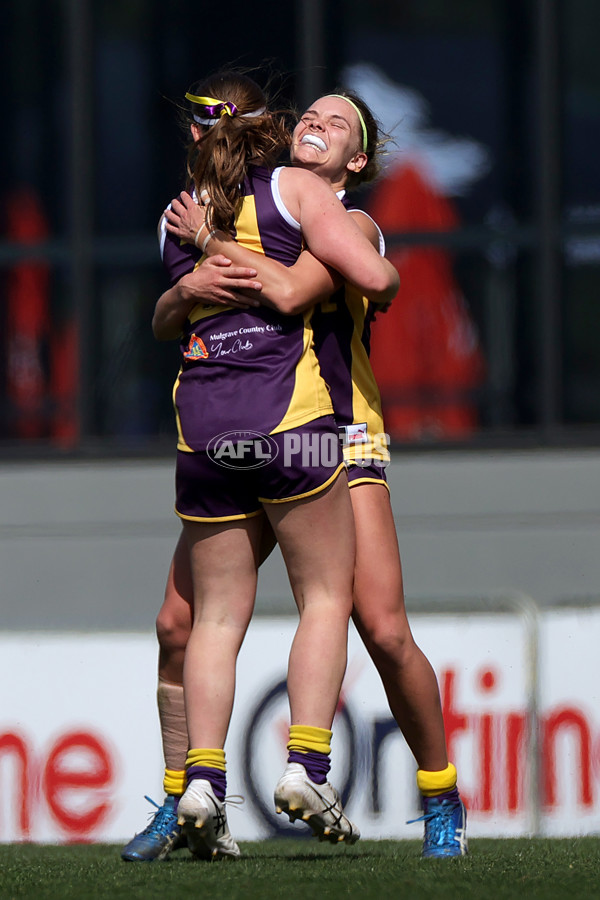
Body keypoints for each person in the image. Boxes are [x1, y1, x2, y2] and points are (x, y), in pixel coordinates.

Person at [122, 84, 467, 863]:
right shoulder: (268, 207)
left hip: (341, 437)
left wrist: (208, 245)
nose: (316, 122)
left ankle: (440, 792)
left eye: (337, 122)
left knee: (378, 624)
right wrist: (182, 286)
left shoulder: (349, 221)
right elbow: (173, 314)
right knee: (179, 624)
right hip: (266, 427)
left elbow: (283, 290)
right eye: (310, 114)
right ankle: (185, 802)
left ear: (359, 158)